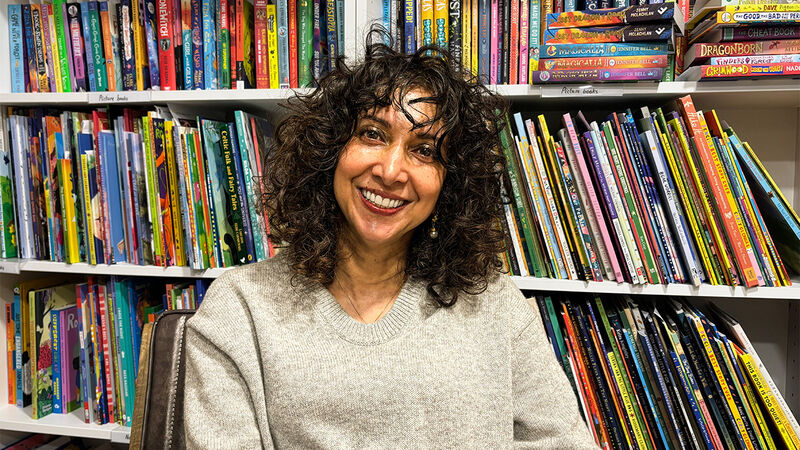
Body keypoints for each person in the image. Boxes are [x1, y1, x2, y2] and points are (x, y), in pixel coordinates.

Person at [182, 32, 598, 448]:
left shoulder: (494, 302)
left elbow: (562, 441)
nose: (391, 170)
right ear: (328, 151)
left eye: (425, 151)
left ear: (451, 185)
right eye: (372, 134)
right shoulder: (239, 310)